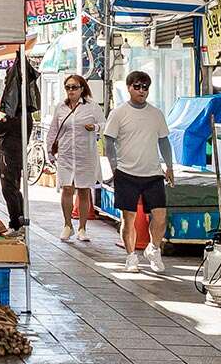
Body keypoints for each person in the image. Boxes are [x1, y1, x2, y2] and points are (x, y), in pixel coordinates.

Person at [104, 70, 175, 269]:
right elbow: (108, 141)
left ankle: (154, 248)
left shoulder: (156, 114)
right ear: (129, 88)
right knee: (129, 218)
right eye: (137, 86)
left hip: (153, 173)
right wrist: (114, 166)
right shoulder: (119, 113)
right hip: (126, 173)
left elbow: (164, 141)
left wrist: (169, 166)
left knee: (160, 216)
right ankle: (131, 256)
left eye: (145, 87)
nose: (141, 91)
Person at [48, 74, 105, 241]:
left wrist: (94, 127)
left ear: (82, 89)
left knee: (83, 190)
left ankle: (82, 228)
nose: (71, 90)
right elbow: (53, 130)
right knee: (67, 188)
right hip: (66, 154)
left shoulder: (92, 107)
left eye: (74, 87)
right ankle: (67, 225)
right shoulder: (61, 107)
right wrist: (50, 151)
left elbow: (104, 124)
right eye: (68, 87)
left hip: (85, 154)